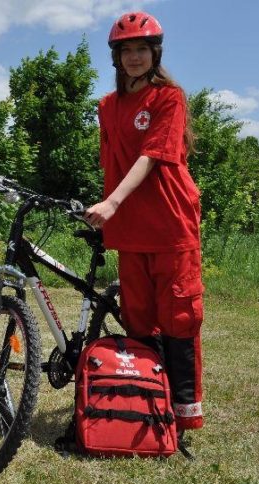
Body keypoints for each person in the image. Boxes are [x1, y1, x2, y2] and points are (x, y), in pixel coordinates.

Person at [84, 12, 204, 433]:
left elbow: (151, 155)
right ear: (116, 57)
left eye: (142, 49)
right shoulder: (107, 106)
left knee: (179, 316)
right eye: (126, 50)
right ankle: (147, 403)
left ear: (155, 53)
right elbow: (111, 164)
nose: (134, 57)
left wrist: (113, 201)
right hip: (128, 226)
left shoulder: (168, 98)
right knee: (137, 320)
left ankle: (185, 414)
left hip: (171, 221)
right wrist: (106, 206)